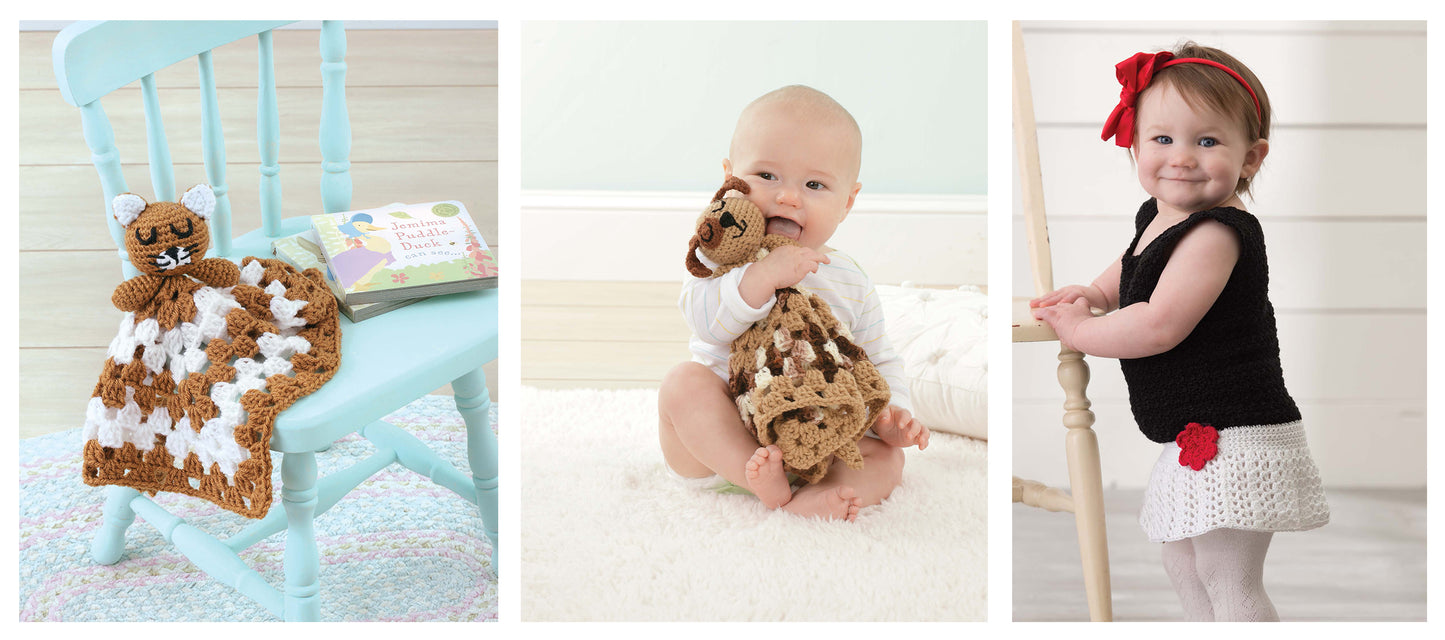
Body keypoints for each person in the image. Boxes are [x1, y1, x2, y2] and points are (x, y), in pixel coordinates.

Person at [1031, 44, 1329, 621]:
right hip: (1196, 434)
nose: (1182, 158)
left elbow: (1159, 324)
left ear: (1251, 157)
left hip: (1239, 433)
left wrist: (1082, 328)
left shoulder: (1217, 232)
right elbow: (1133, 267)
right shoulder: (1160, 214)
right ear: (1136, 143)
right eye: (1162, 139)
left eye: (1207, 141)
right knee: (1185, 567)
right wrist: (1093, 295)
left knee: (1228, 576)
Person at [659, 85, 930, 522]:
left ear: (847, 202)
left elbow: (878, 357)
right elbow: (705, 323)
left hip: (818, 441)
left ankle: (813, 498)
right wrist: (762, 276)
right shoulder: (719, 255)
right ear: (729, 178)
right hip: (722, 442)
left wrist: (892, 413)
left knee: (888, 460)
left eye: (814, 184)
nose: (788, 196)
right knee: (682, 385)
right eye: (767, 176)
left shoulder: (848, 279)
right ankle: (758, 479)